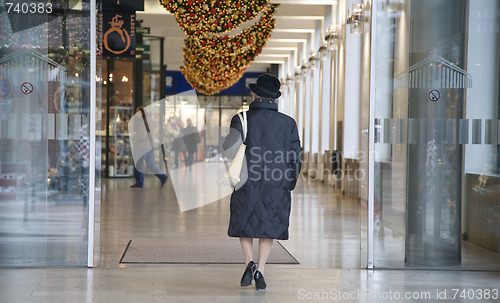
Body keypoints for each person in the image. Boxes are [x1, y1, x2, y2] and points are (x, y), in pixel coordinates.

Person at [223, 73, 302, 290]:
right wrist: (289, 182)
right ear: (274, 98)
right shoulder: (288, 123)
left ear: (255, 94)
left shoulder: (241, 119)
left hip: (246, 181)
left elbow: (229, 149)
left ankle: (249, 262)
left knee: (245, 223)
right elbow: (296, 157)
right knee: (269, 226)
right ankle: (260, 270)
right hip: (276, 183)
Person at [130, 106, 168, 188]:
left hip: (143, 146)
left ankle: (139, 182)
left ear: (142, 113)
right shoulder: (149, 120)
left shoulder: (144, 121)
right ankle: (162, 176)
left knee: (138, 164)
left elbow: (142, 134)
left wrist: (133, 137)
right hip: (149, 145)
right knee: (150, 164)